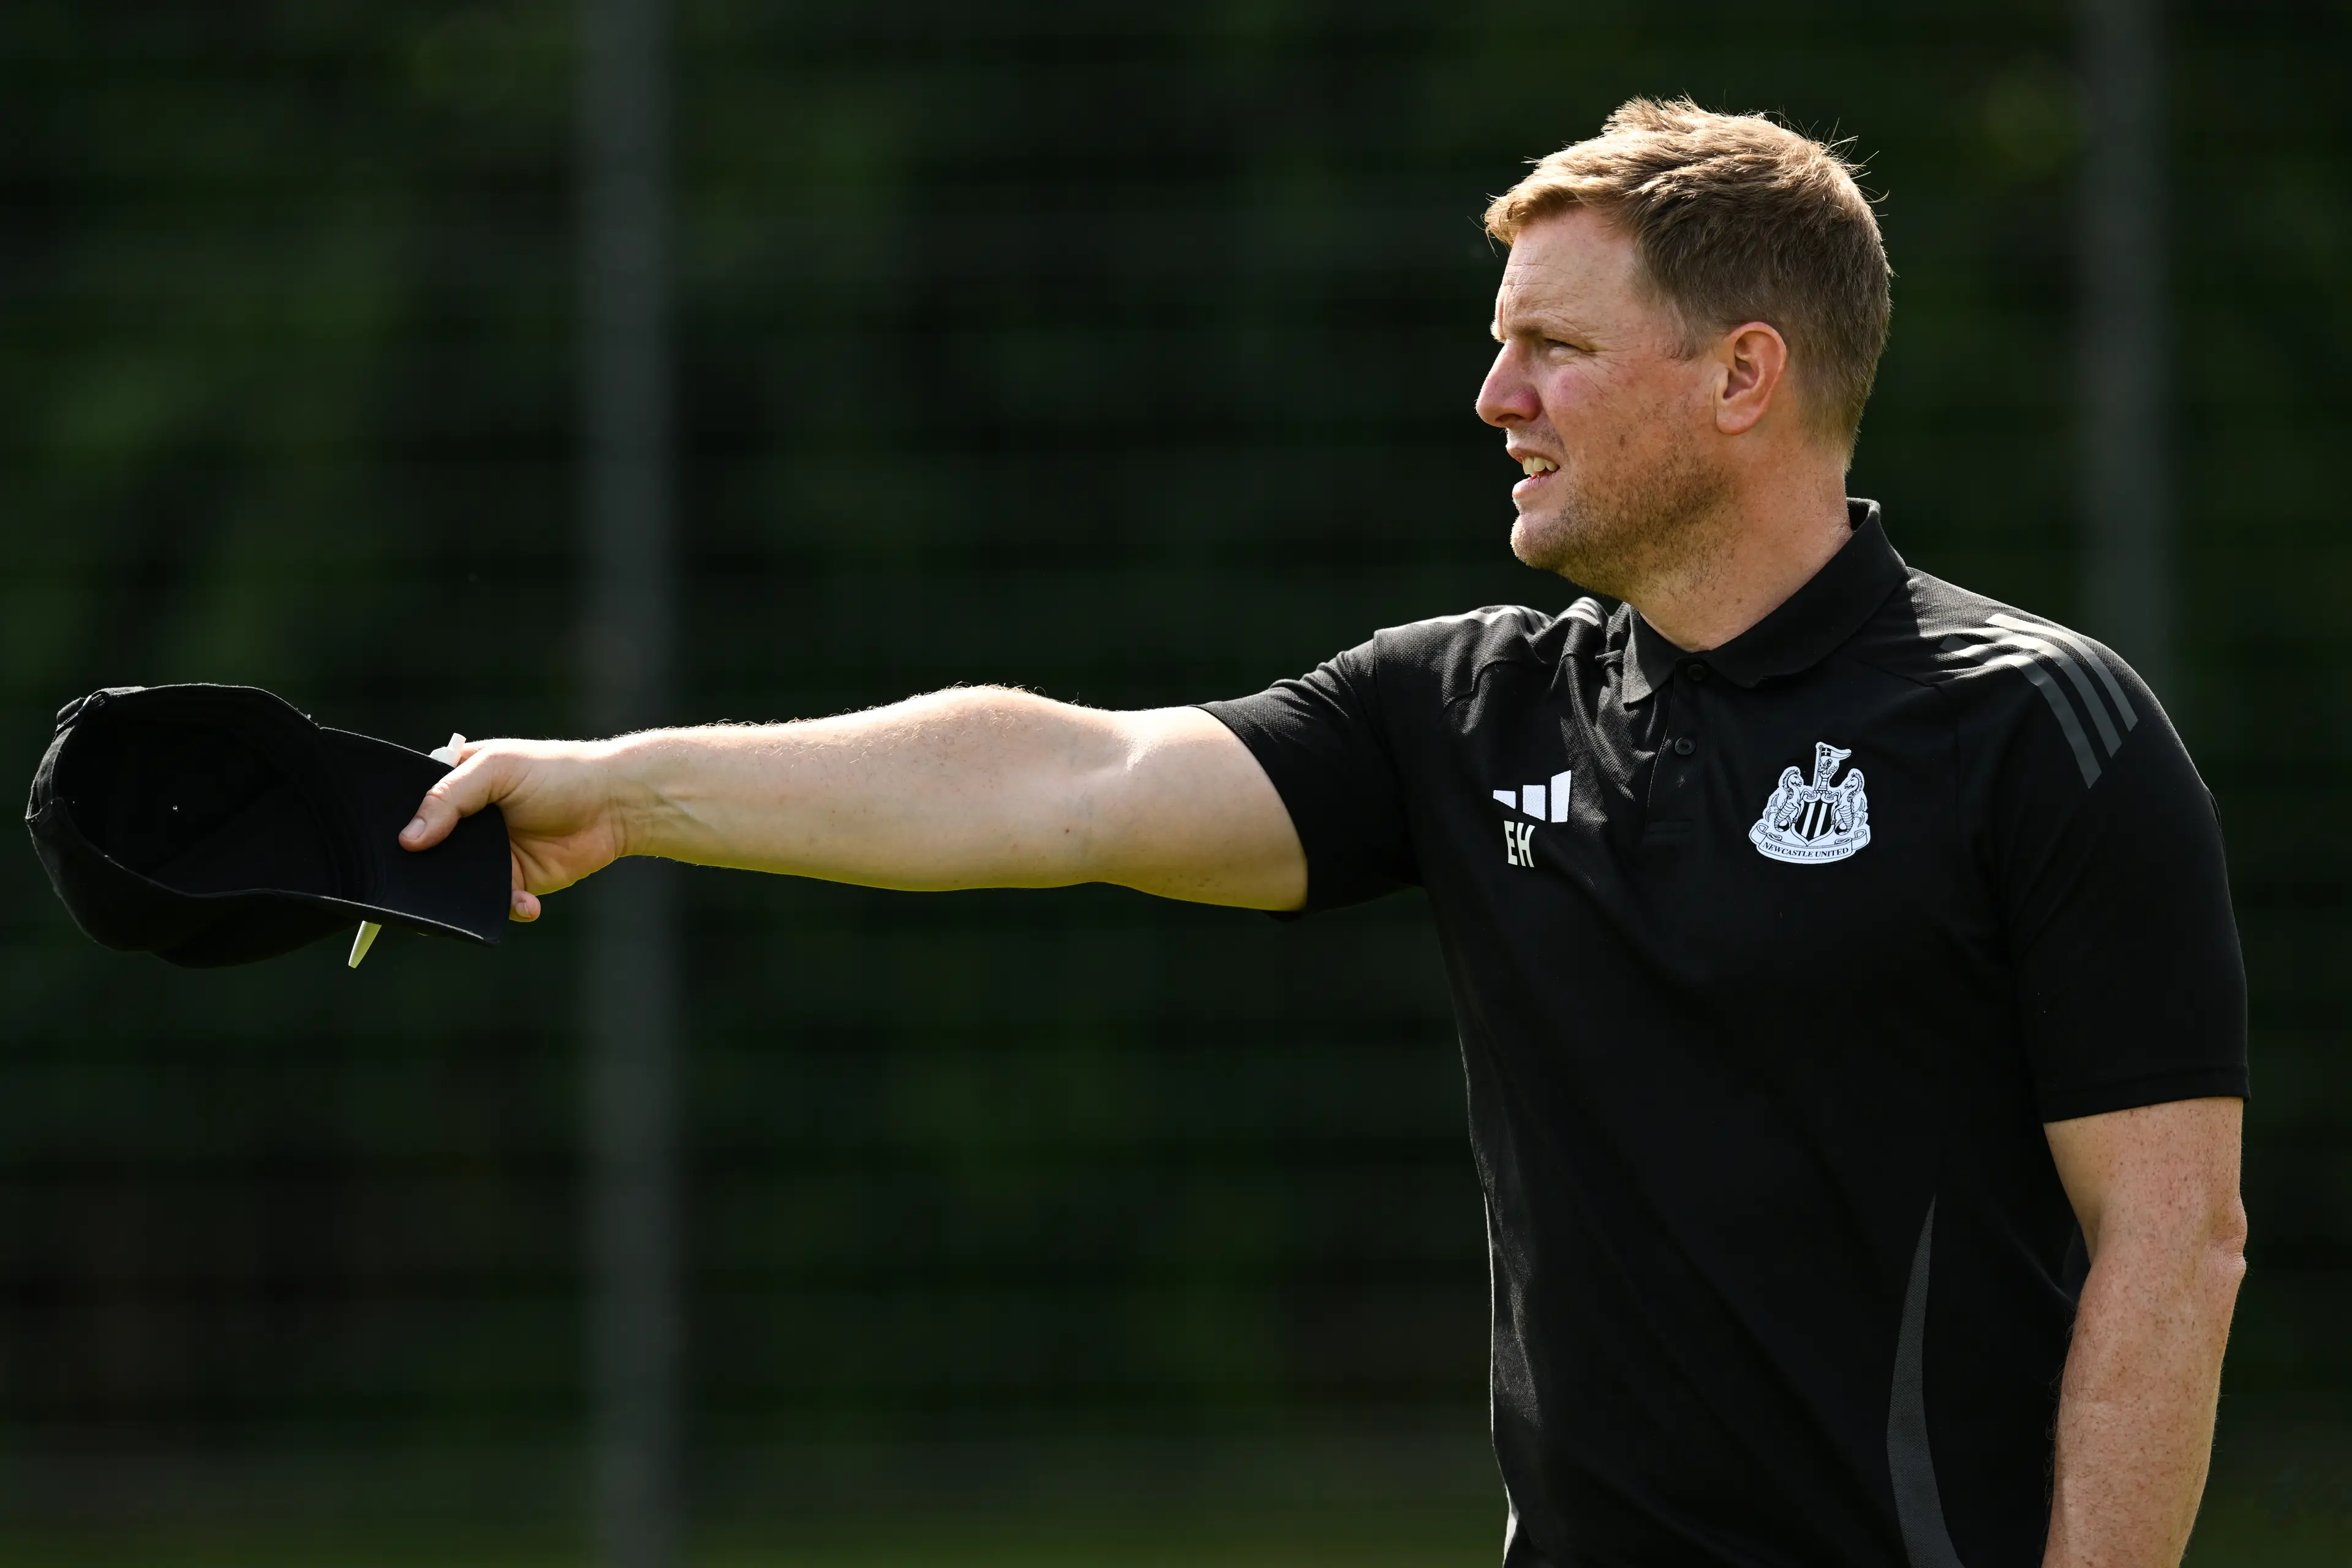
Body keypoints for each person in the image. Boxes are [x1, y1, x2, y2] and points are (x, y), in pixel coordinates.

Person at [402, 99, 2247, 1568]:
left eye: (1553, 347)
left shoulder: (2035, 732)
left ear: (1742, 377)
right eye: (1498, 344)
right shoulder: (1469, 709)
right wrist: (623, 788)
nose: (1494, 398)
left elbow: (2175, 1237)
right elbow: (1068, 780)